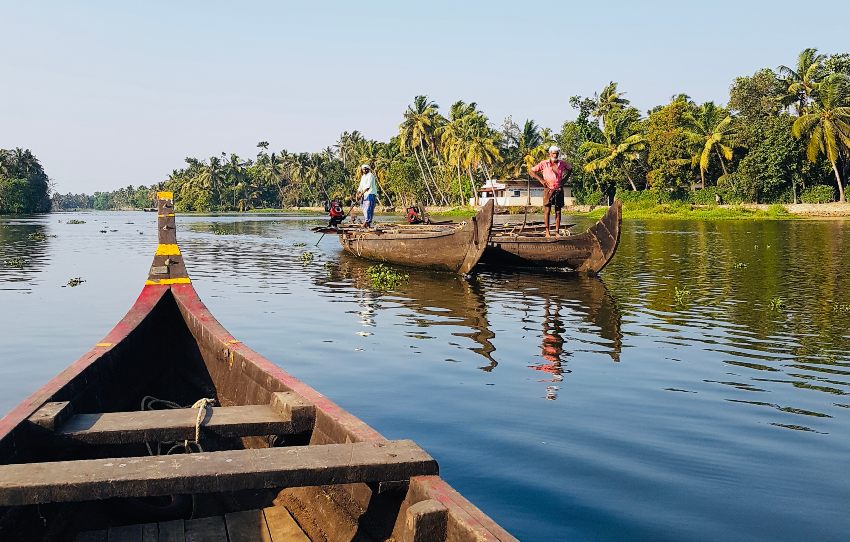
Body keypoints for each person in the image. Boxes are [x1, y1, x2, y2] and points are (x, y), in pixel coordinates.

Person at [529, 146, 572, 237]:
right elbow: (532, 171)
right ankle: (547, 232)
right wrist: (541, 180)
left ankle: (557, 232)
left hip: (558, 188)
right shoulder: (544, 163)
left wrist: (564, 180)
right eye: (553, 153)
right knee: (547, 210)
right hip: (548, 189)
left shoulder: (562, 163)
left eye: (557, 153)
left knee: (558, 211)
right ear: (550, 154)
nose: (555, 155)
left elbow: (570, 169)